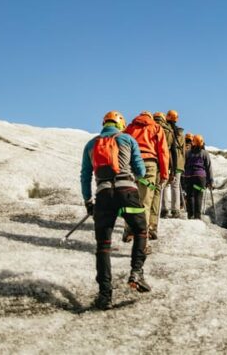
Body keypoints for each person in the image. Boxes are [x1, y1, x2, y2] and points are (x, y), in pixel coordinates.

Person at [80, 111, 151, 310]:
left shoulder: (91, 144)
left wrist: (88, 201)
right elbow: (140, 171)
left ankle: (105, 295)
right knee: (140, 231)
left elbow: (85, 176)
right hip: (127, 191)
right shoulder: (127, 139)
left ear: (104, 124)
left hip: (103, 196)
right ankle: (136, 272)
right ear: (120, 125)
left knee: (103, 246)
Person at [124, 111, 169, 244]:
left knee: (130, 199)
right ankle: (143, 239)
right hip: (150, 164)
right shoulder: (156, 127)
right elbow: (163, 151)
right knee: (145, 201)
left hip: (132, 163)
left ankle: (129, 229)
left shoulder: (130, 128)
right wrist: (164, 173)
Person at [161, 110, 185, 219]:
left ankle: (164, 209)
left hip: (166, 159)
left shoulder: (165, 130)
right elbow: (183, 151)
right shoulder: (181, 134)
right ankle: (175, 210)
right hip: (178, 162)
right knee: (175, 186)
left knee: (165, 185)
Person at [184, 134, 213, 220]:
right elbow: (208, 167)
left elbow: (185, 165)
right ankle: (197, 216)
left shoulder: (188, 153)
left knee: (190, 196)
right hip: (200, 178)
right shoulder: (205, 153)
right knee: (198, 195)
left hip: (189, 177)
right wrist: (210, 180)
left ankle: (190, 215)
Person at [152, 112, 174, 221]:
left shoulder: (149, 127)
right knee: (161, 186)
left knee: (148, 187)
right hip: (164, 159)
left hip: (150, 159)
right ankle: (163, 209)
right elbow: (170, 148)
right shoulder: (169, 130)